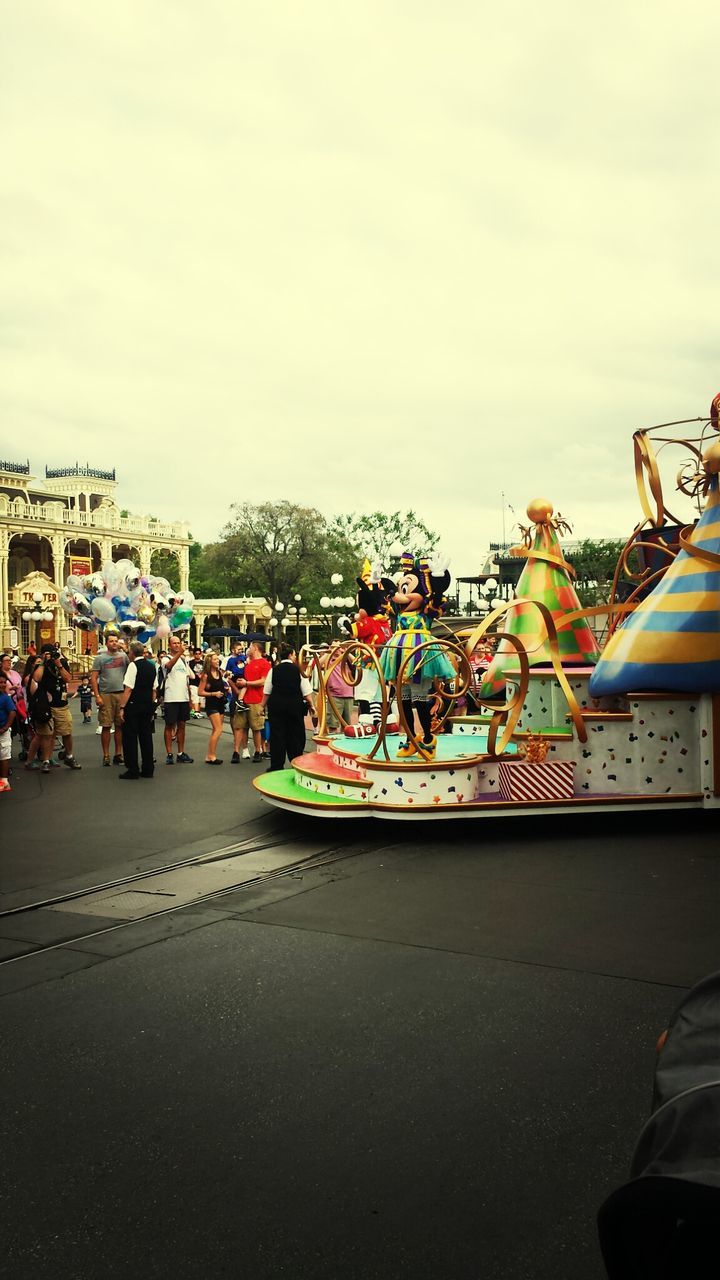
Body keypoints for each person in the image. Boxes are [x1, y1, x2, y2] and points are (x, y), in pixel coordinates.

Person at [261, 641, 315, 772]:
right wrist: (312, 706)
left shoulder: (274, 670)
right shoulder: (298, 671)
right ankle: (296, 762)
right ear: (291, 655)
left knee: (277, 734)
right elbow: (306, 692)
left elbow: (267, 691)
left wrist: (262, 706)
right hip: (294, 706)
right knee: (295, 734)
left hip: (277, 706)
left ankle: (277, 764)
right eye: (295, 655)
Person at [29, 643, 82, 773]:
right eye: (49, 653)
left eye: (53, 652)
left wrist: (58, 663)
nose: (52, 655)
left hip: (61, 704)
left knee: (67, 732)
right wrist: (43, 662)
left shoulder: (62, 662)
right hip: (45, 705)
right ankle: (46, 760)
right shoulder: (40, 665)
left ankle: (69, 756)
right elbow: (36, 678)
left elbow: (68, 678)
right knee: (47, 735)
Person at [117, 640, 157, 779]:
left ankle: (132, 769)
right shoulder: (152, 666)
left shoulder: (133, 666)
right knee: (146, 737)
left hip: (134, 705)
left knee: (130, 737)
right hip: (147, 705)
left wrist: (122, 707)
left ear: (132, 653)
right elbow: (154, 689)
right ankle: (148, 768)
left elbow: (128, 689)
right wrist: (152, 706)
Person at [90, 632, 129, 765]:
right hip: (106, 694)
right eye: (111, 641)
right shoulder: (100, 658)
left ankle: (118, 754)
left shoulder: (124, 657)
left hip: (121, 693)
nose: (114, 643)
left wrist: (126, 649)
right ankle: (106, 755)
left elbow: (132, 668)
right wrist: (97, 695)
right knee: (106, 725)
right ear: (106, 643)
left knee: (120, 725)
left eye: (116, 641)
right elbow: (94, 678)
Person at [234, 640, 271, 762]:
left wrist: (247, 683)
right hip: (244, 699)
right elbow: (245, 681)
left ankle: (257, 751)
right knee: (240, 726)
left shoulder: (264, 664)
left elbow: (264, 681)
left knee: (256, 728)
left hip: (256, 700)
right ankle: (236, 752)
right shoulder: (248, 664)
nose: (248, 649)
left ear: (255, 648)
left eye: (250, 647)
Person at [161, 636, 194, 764]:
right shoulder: (166, 658)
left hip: (183, 697)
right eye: (174, 643)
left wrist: (190, 698)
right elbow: (168, 666)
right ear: (169, 645)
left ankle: (180, 753)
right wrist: (180, 652)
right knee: (169, 725)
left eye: (179, 643)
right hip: (171, 697)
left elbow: (186, 679)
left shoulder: (183, 660)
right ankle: (169, 753)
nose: (177, 645)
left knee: (182, 725)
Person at [197, 653, 228, 764]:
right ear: (210, 662)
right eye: (215, 659)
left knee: (216, 730)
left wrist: (226, 689)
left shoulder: (219, 673)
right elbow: (200, 692)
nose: (217, 661)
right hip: (212, 705)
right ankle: (212, 756)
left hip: (220, 704)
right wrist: (213, 694)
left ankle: (209, 755)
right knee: (218, 729)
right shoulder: (206, 675)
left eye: (217, 659)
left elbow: (220, 686)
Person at [322, 642, 355, 731]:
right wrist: (328, 652)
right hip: (334, 696)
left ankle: (344, 744)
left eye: (339, 647)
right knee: (333, 724)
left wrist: (346, 651)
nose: (337, 649)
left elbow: (357, 662)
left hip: (348, 695)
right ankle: (332, 742)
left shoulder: (345, 659)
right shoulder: (329, 660)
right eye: (334, 646)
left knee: (347, 725)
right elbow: (319, 663)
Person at [226, 643, 249, 762]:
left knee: (247, 719)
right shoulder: (230, 661)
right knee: (236, 716)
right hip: (236, 688)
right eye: (238, 649)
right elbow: (228, 677)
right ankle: (236, 739)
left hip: (246, 686)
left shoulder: (245, 659)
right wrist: (236, 690)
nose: (240, 651)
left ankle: (247, 747)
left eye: (242, 649)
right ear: (233, 649)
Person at [0, 671, 17, 793]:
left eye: (3, 682)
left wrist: (5, 727)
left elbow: (12, 712)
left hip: (2, 732)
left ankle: (4, 781)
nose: (2, 684)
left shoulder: (5, 698)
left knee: (4, 756)